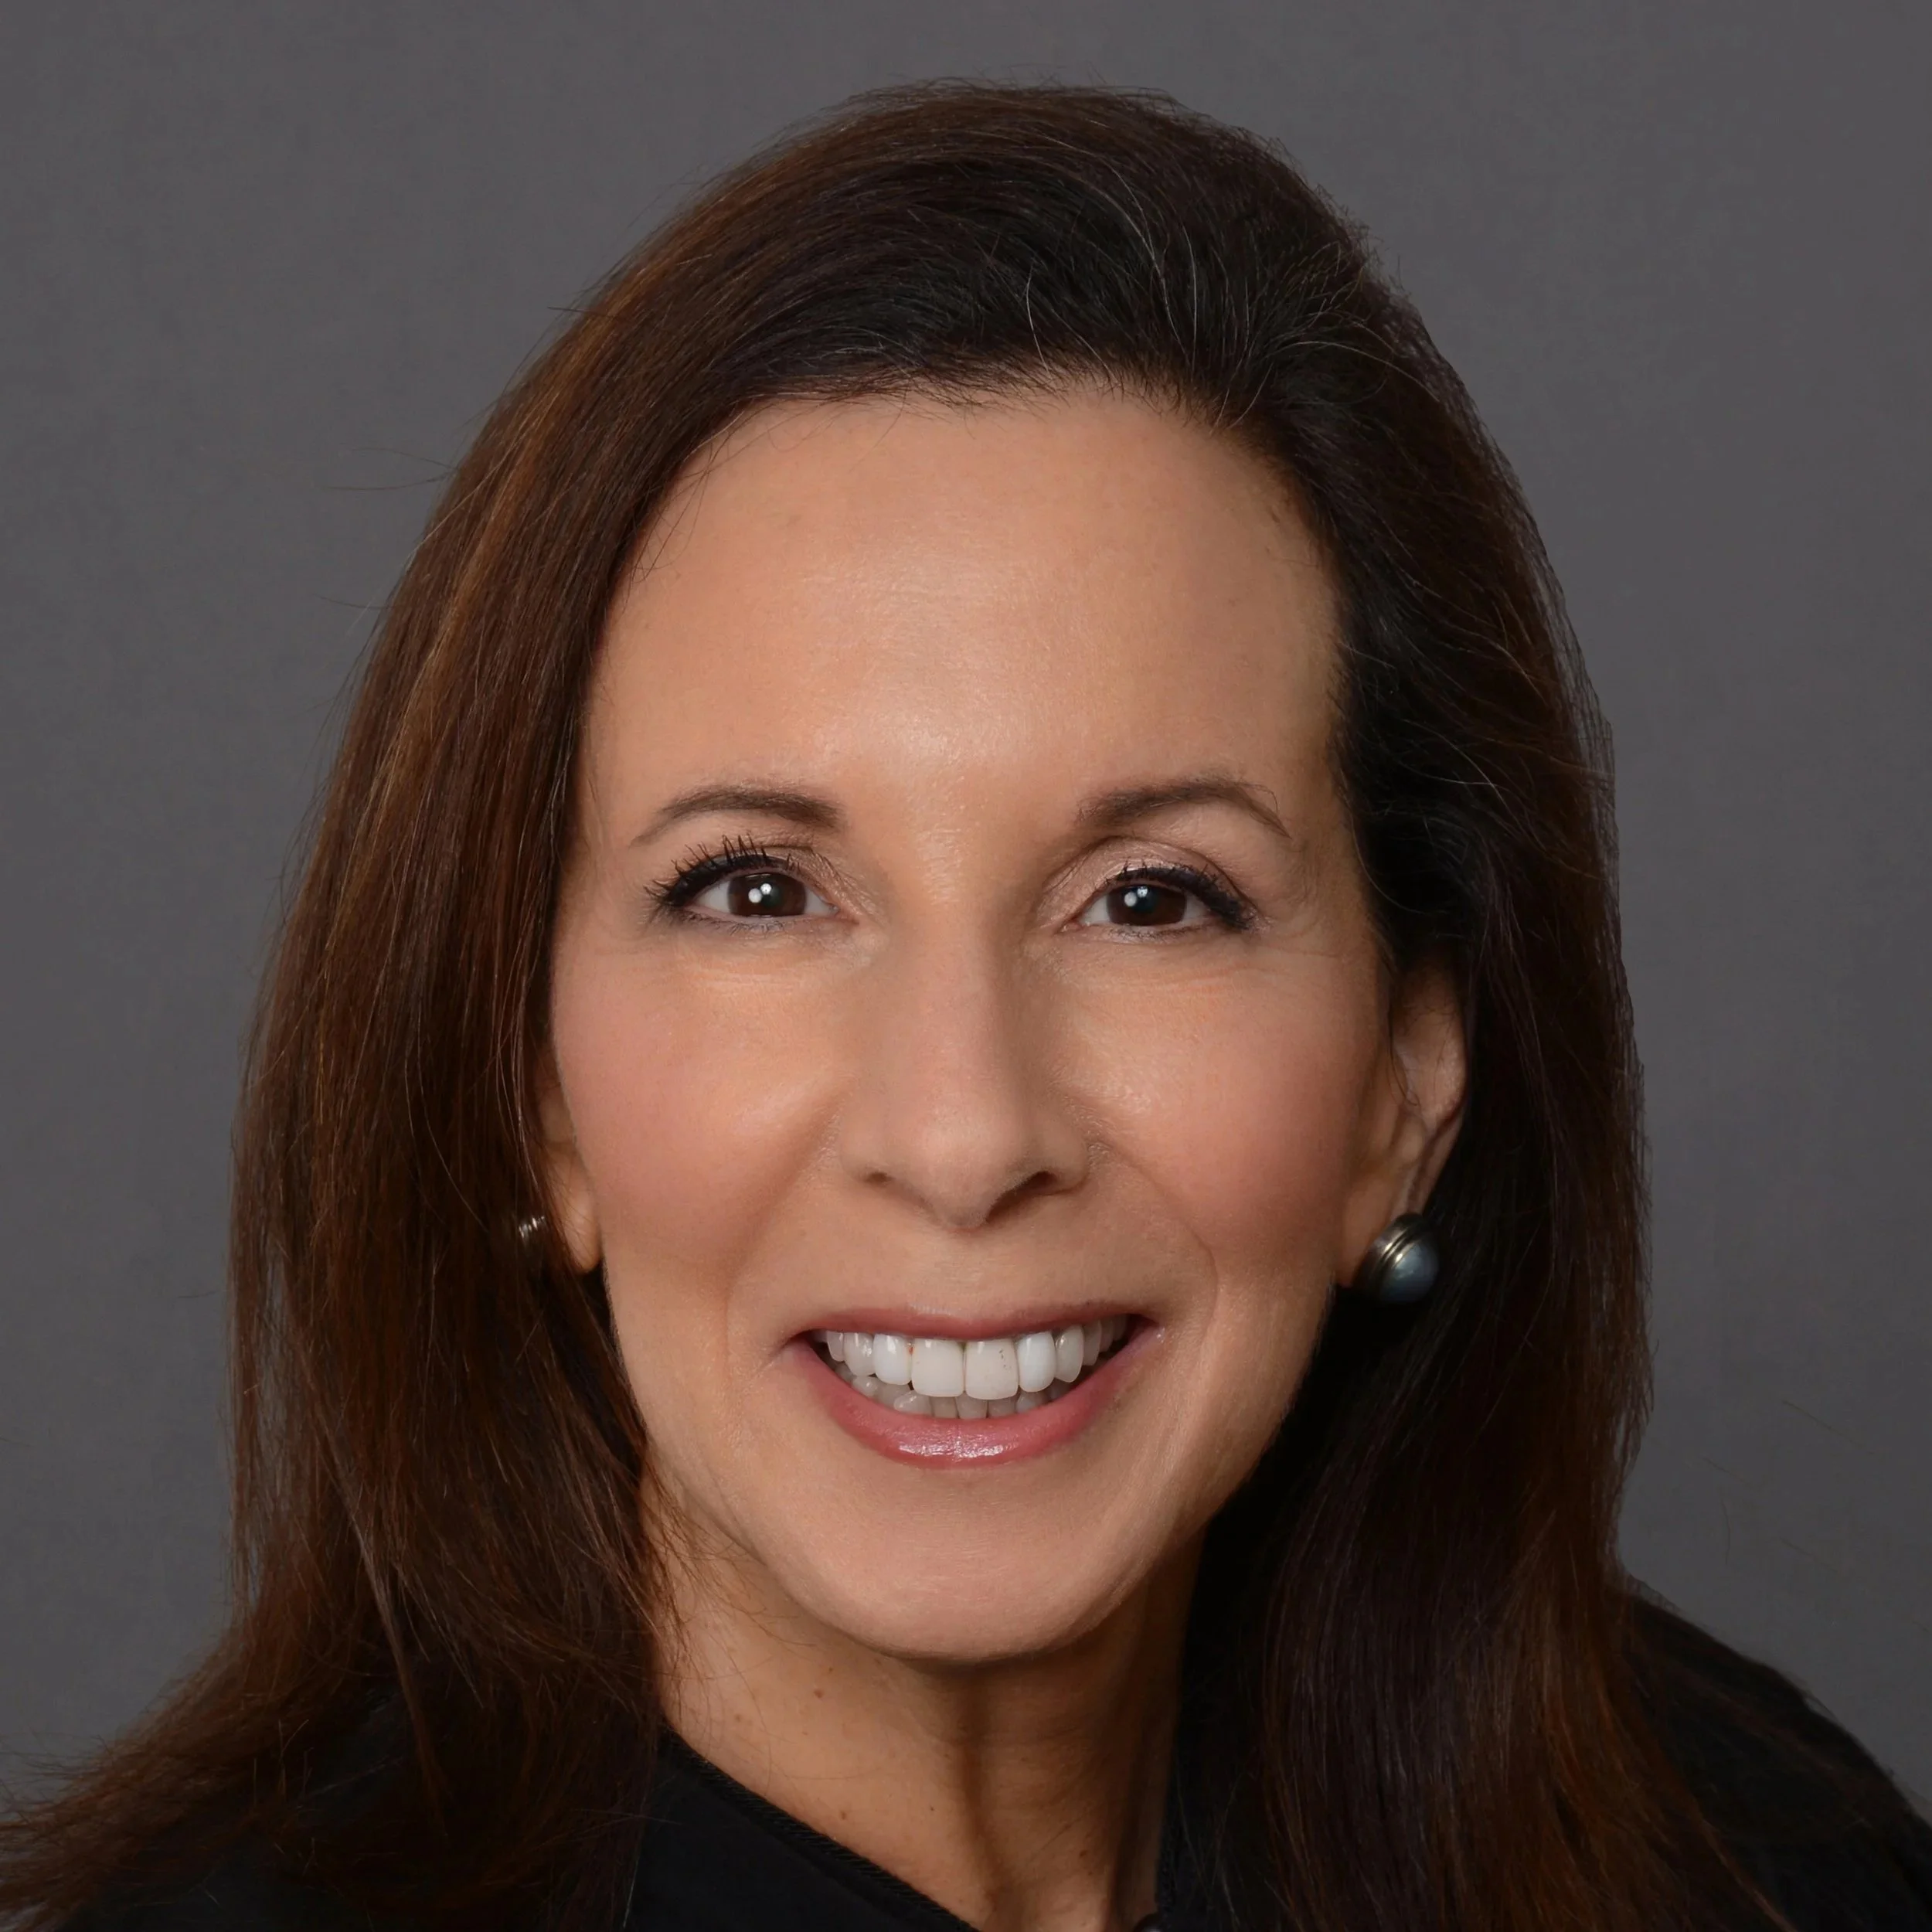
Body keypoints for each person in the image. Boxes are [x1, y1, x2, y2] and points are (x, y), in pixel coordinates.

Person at [4, 81, 1927, 1932]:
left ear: (1402, 1090)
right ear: (538, 1093)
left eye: (1149, 898)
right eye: (757, 890)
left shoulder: (1757, 1867)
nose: (961, 1132)